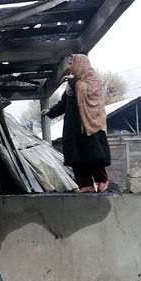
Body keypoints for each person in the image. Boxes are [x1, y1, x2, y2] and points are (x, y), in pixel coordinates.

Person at [42, 54, 111, 193]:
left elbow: (88, 92)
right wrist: (50, 111)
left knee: (93, 154)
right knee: (76, 157)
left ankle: (102, 180)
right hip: (73, 126)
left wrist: (74, 81)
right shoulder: (71, 83)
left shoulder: (91, 78)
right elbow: (64, 103)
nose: (69, 65)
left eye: (72, 62)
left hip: (89, 125)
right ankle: (86, 185)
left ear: (80, 63)